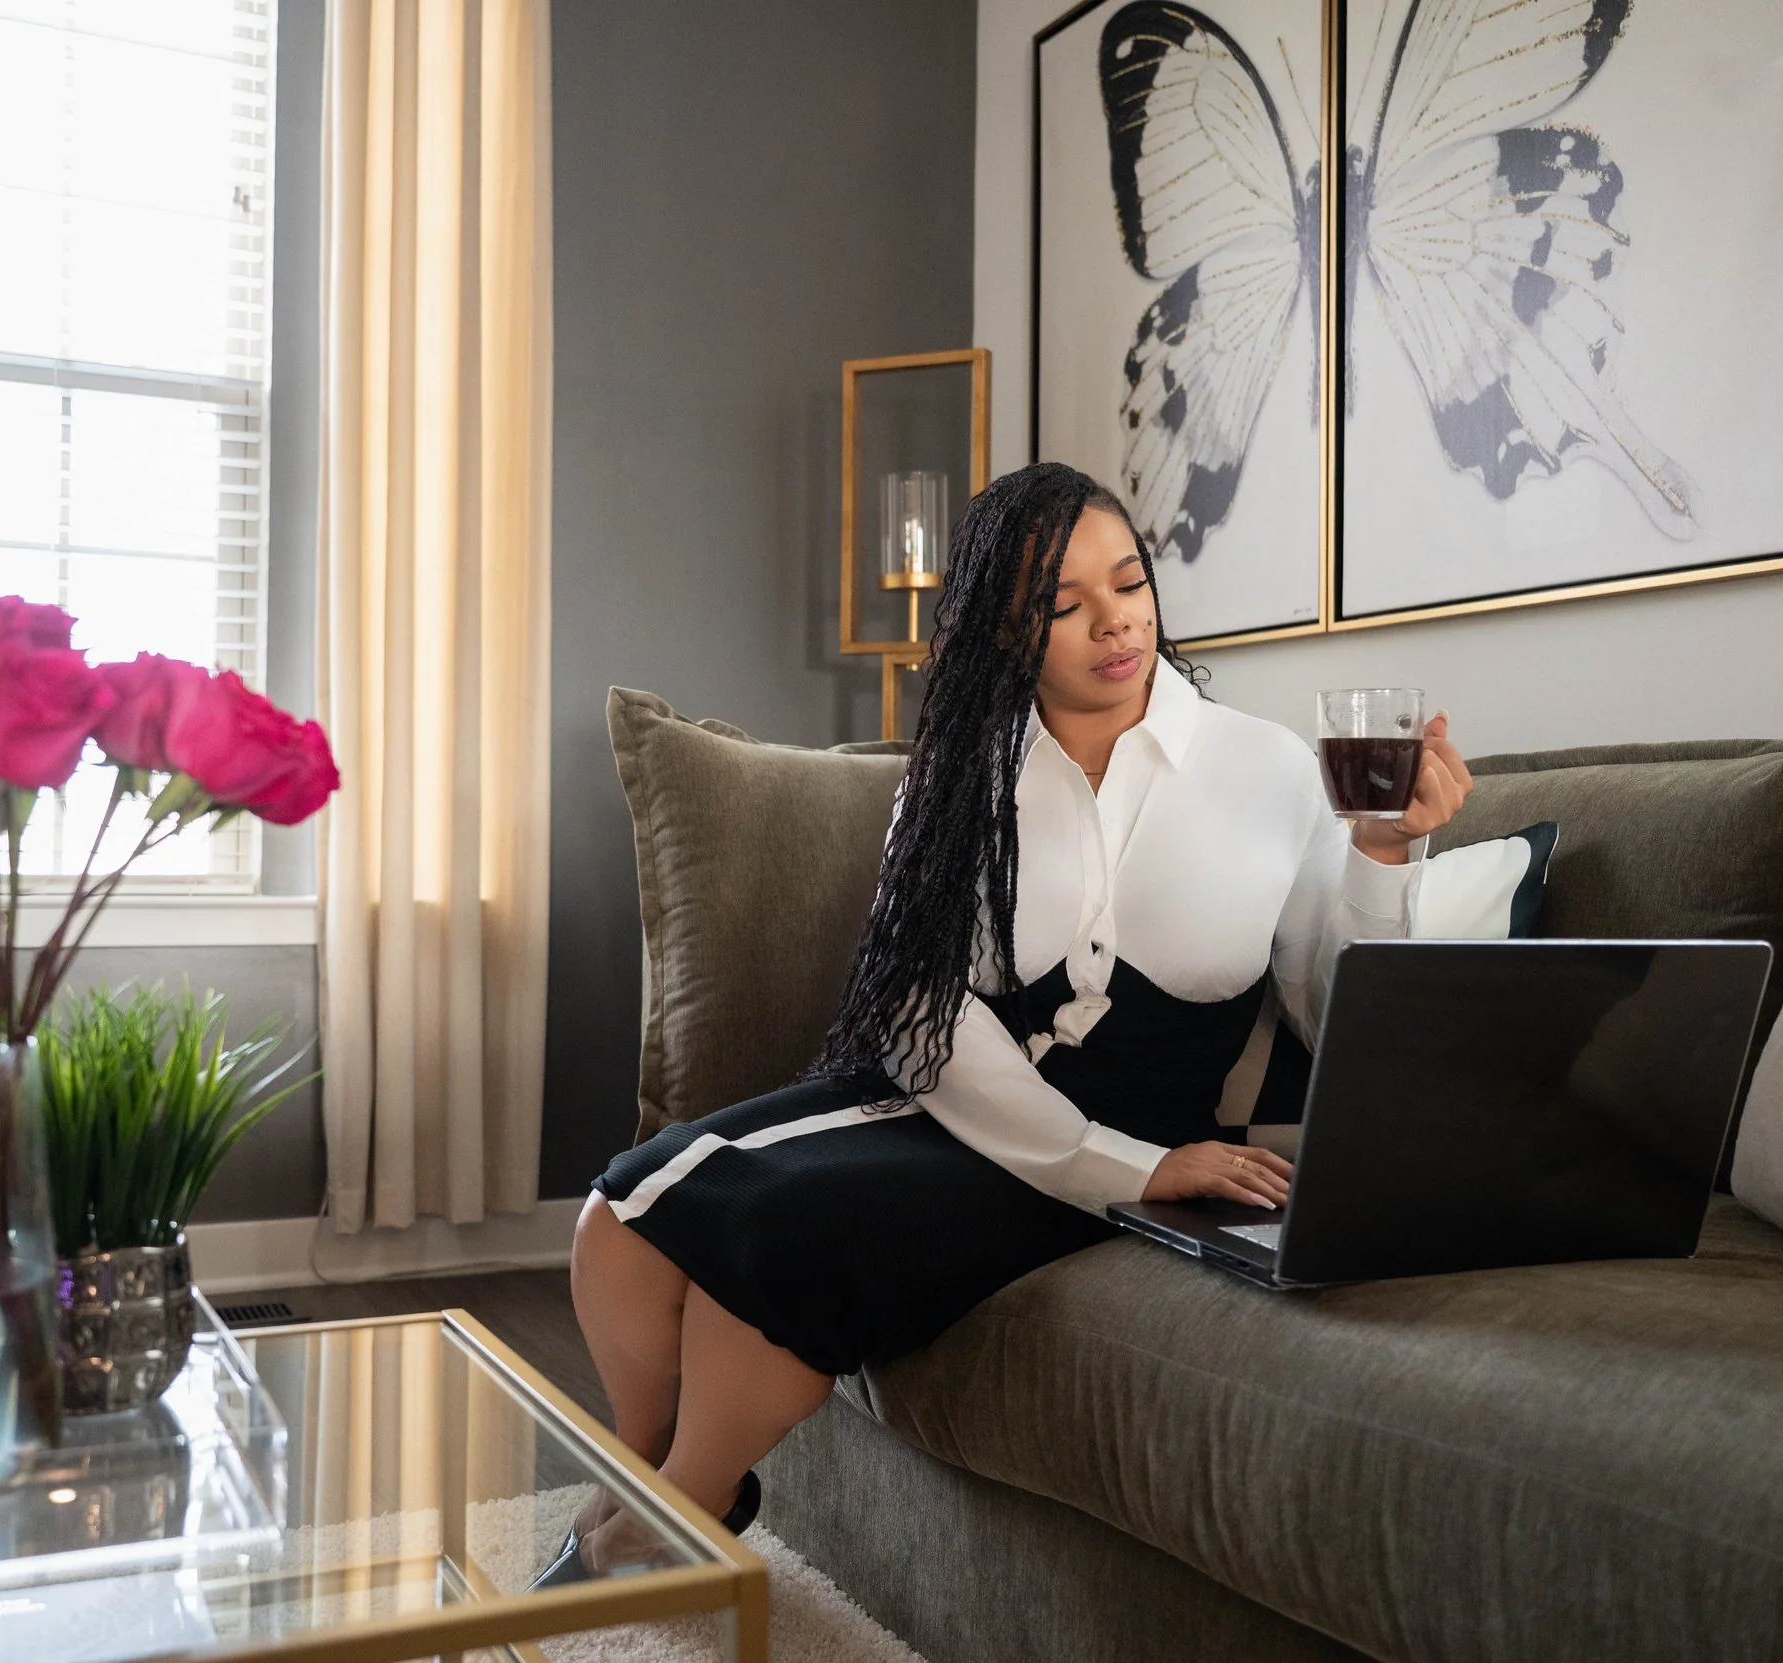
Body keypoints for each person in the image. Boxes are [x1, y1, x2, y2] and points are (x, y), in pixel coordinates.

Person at [539, 463, 1472, 1584]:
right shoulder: (963, 775)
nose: (1114, 622)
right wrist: (1099, 1157)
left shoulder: (1268, 767)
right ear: (1001, 629)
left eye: (1128, 583)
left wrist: (1383, 851)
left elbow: (1339, 1007)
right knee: (619, 1211)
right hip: (960, 1098)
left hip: (1128, 1141)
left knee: (778, 1240)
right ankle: (642, 1475)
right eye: (1063, 606)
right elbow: (923, 1018)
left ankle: (656, 1531)